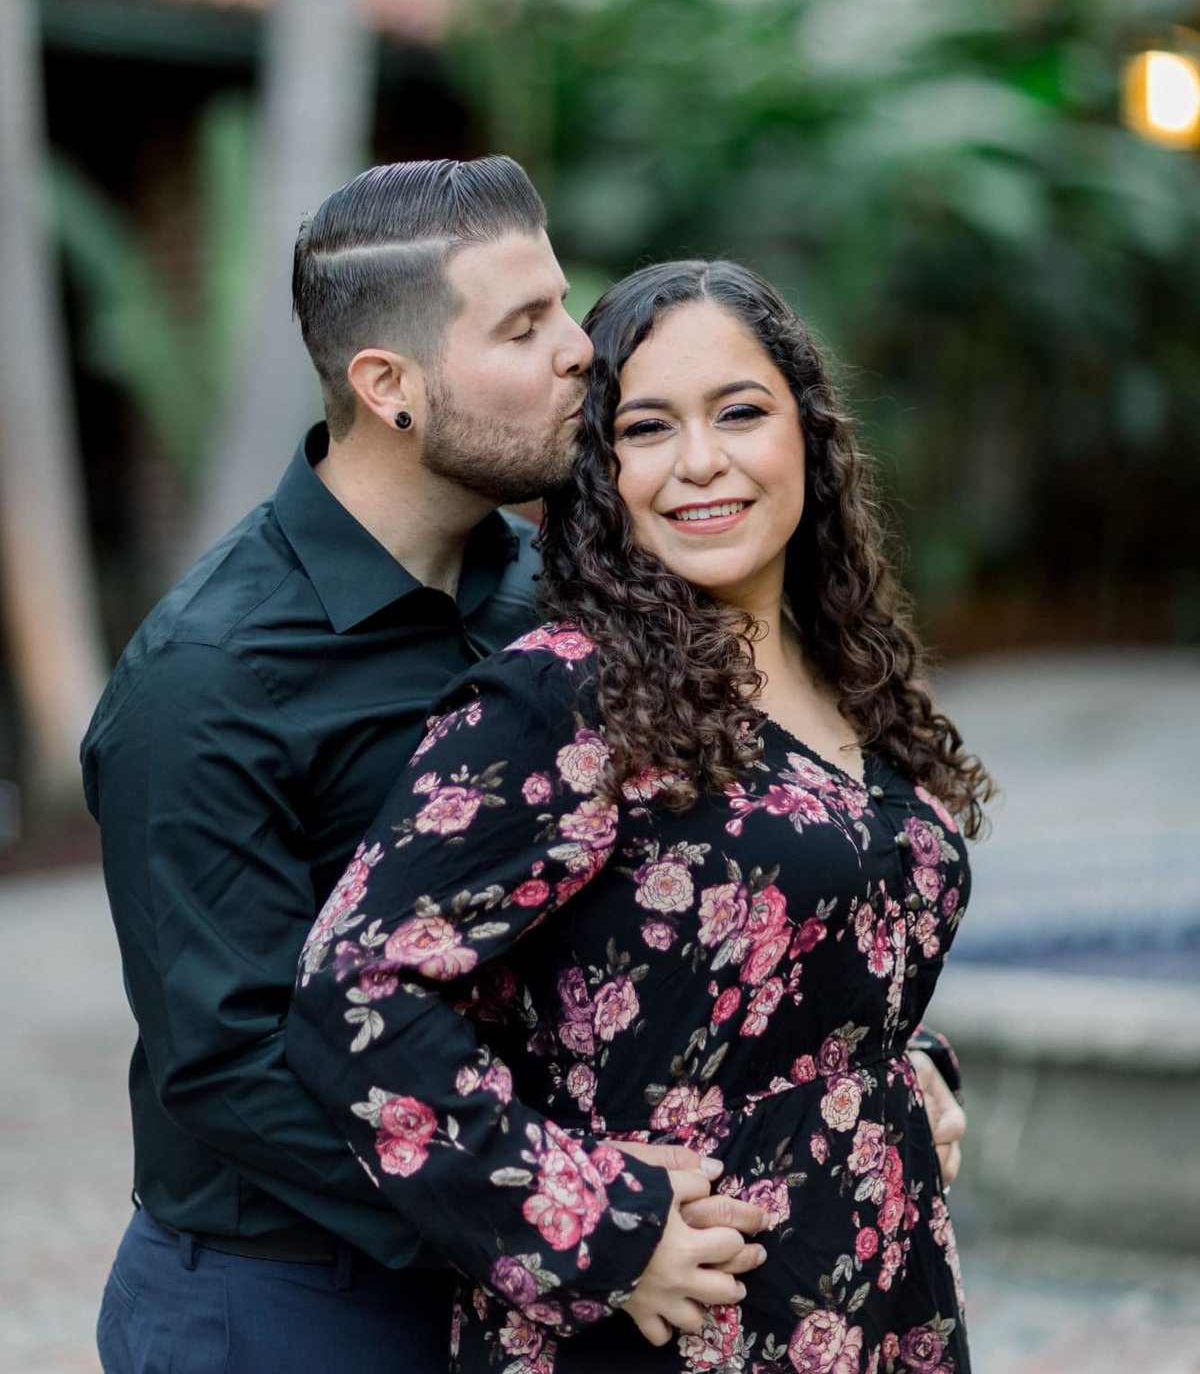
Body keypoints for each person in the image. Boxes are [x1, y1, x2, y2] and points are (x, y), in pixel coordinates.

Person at [84, 160, 781, 1374]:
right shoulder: (206, 680)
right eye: (525, 326)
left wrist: (879, 1062)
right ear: (390, 387)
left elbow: (700, 875)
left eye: (565, 306)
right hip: (292, 1302)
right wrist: (575, 1224)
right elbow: (233, 1061)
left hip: (529, 1289)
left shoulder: (555, 596)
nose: (582, 351)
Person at [287, 258, 992, 1373]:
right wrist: (595, 1230)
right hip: (670, 1329)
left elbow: (811, 946)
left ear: (807, 433)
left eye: (741, 413)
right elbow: (355, 989)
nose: (701, 462)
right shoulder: (566, 696)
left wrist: (910, 1066)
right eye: (648, 428)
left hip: (879, 1295)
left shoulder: (846, 670)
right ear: (597, 470)